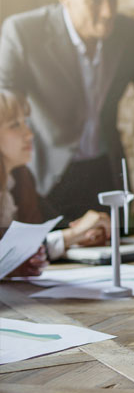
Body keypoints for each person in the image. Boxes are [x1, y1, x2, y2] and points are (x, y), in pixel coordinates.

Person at [0, 0, 134, 223]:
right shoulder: (23, 32)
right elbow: (6, 110)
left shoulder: (131, 35)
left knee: (115, 252)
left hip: (104, 174)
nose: (108, 11)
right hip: (47, 179)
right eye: (95, 0)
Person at [0, 89, 110, 264]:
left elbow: (53, 226)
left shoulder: (21, 178)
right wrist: (72, 235)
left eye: (25, 123)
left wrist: (85, 233)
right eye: (15, 125)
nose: (29, 134)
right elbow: (5, 253)